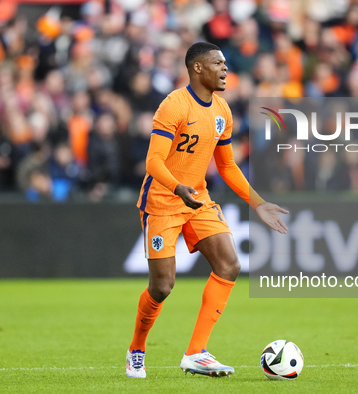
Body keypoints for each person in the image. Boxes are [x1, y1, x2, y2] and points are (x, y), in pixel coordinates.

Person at [126, 42, 288, 379]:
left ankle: (196, 352)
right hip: (163, 201)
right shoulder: (174, 105)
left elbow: (227, 166)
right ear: (197, 68)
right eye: (218, 63)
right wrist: (177, 188)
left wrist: (257, 202)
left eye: (226, 63)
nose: (226, 69)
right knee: (162, 287)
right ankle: (137, 349)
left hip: (197, 200)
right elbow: (153, 161)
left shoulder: (223, 112)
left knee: (229, 265)